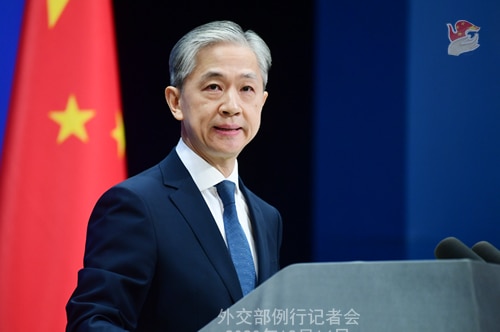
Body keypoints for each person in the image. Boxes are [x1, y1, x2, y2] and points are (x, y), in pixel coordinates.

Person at [65, 20, 283, 331]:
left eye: (247, 89)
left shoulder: (266, 216)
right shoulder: (135, 205)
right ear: (176, 101)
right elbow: (93, 322)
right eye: (214, 87)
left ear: (261, 102)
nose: (232, 106)